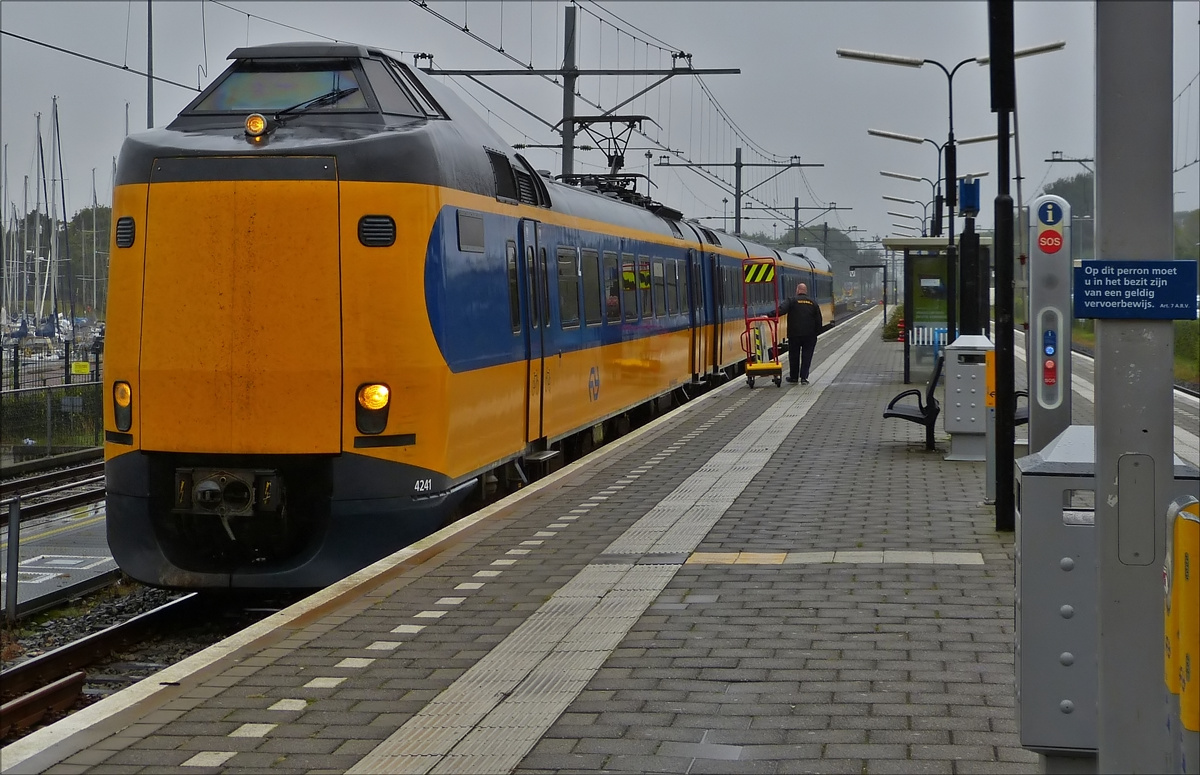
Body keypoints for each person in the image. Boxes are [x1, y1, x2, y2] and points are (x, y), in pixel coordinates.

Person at [776, 282, 822, 384]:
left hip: (794, 334)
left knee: (794, 356)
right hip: (809, 335)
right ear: (806, 291)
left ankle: (794, 377)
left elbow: (781, 310)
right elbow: (819, 320)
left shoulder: (792, 301)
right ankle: (804, 378)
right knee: (807, 356)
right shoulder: (813, 303)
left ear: (797, 290)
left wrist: (769, 315)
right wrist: (816, 333)